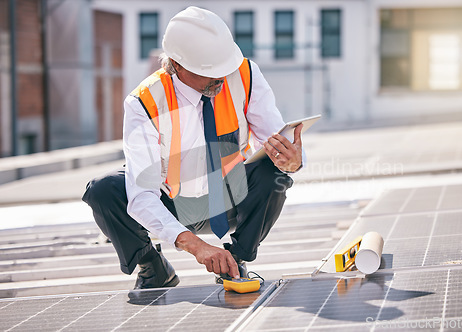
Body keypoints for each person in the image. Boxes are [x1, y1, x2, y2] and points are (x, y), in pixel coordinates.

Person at [82, 6, 304, 289]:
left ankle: (234, 261)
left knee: (274, 171)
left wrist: (292, 161)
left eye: (225, 68)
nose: (222, 78)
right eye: (211, 71)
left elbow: (275, 138)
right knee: (103, 190)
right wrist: (196, 246)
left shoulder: (244, 74)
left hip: (228, 200)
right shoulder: (144, 103)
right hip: (173, 203)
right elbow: (141, 195)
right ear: (177, 65)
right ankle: (152, 266)